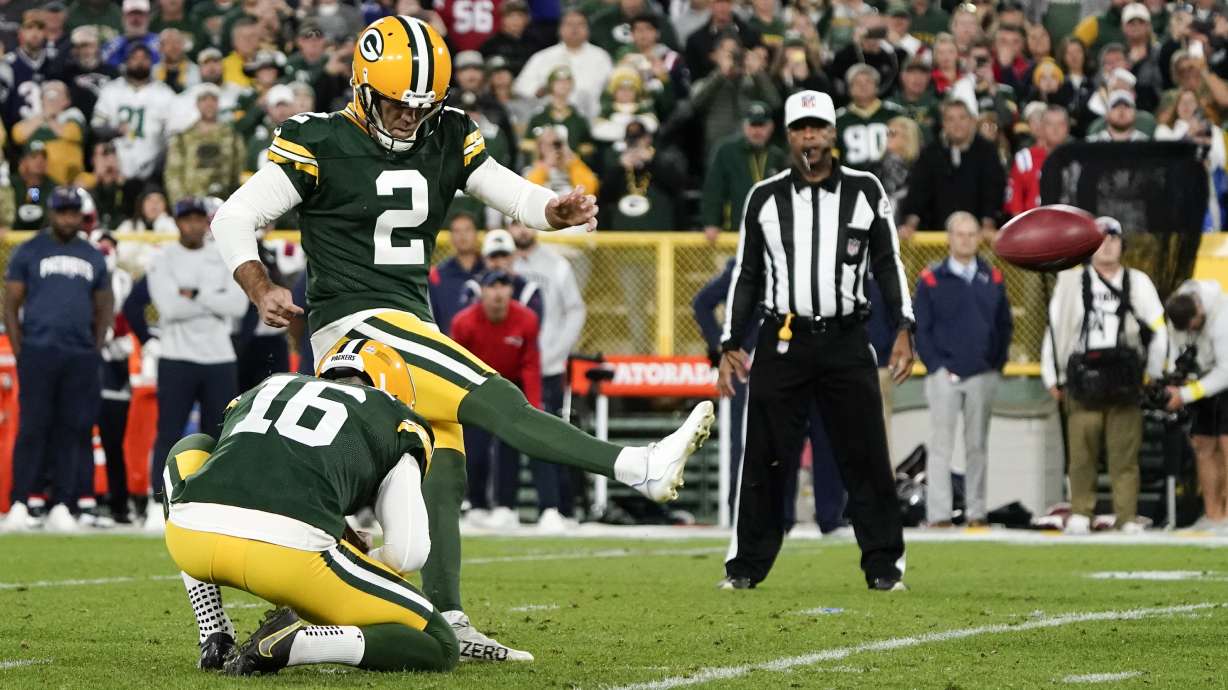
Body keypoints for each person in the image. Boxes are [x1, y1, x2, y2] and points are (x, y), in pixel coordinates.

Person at [209, 15, 715, 662]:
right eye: (396, 103)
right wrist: (259, 287)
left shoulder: (447, 130)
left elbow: (506, 191)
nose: (409, 117)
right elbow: (235, 216)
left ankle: (447, 616)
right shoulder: (319, 139)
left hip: (409, 322)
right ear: (362, 87)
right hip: (356, 329)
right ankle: (638, 467)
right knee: (496, 399)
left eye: (422, 104)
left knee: (445, 465)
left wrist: (551, 209)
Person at [717, 90, 914, 591]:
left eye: (818, 127)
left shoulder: (865, 190)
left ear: (832, 132)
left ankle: (884, 566)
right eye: (801, 128)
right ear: (789, 136)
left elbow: (888, 262)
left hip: (847, 337)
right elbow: (747, 273)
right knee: (764, 455)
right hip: (783, 338)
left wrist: (904, 326)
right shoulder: (764, 196)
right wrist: (730, 340)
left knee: (866, 453)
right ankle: (745, 567)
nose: (810, 137)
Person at [164, 343, 458, 675]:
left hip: (192, 540)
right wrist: (356, 556)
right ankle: (298, 643)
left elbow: (259, 472)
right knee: (441, 643)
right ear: (395, 390)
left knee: (193, 446)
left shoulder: (272, 386)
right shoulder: (392, 417)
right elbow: (408, 555)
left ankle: (213, 631)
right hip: (292, 561)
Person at [1042, 218, 1165, 534]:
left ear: (1123, 244)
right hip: (1082, 377)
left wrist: (1153, 372)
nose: (1107, 245)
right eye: (1100, 239)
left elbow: (1158, 330)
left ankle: (1126, 516)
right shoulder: (1071, 281)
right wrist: (1052, 375)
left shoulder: (1138, 282)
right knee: (1081, 453)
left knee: (1125, 455)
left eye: (1113, 239)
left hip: (1124, 378)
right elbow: (1054, 328)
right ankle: (1081, 512)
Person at [1, 187, 112, 533]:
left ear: (80, 215)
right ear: (51, 213)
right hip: (37, 352)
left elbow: (104, 304)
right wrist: (20, 351)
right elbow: (11, 304)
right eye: (62, 211)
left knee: (71, 430)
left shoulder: (92, 254)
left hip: (79, 355)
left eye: (73, 212)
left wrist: (94, 349)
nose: (68, 218)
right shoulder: (29, 250)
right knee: (32, 428)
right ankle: (20, 502)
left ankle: (63, 504)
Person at [145, 197, 249, 531]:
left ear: (206, 222)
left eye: (197, 219)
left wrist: (194, 294)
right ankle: (156, 501)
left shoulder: (221, 256)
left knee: (218, 435)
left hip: (219, 358)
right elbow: (169, 307)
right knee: (169, 431)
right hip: (176, 357)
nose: (192, 225)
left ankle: (211, 502)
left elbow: (238, 306)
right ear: (177, 222)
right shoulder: (163, 258)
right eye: (186, 219)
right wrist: (213, 300)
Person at [913, 212, 1012, 528]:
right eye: (960, 234)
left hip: (982, 373)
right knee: (940, 447)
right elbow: (921, 327)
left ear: (979, 238)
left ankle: (976, 512)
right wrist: (935, 366)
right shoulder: (931, 279)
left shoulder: (993, 277)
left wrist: (995, 365)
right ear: (949, 238)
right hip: (944, 375)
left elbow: (1004, 325)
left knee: (977, 445)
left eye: (972, 234)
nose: (966, 240)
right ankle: (939, 515)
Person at [451, 271, 543, 531]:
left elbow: (530, 365)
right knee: (474, 448)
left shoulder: (527, 319)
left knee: (509, 446)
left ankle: (506, 506)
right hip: (476, 387)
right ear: (482, 290)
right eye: (492, 286)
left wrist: (533, 407)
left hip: (512, 387)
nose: (498, 292)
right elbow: (457, 364)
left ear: (511, 291)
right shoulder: (463, 322)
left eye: (504, 286)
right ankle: (477, 504)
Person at [510, 218, 586, 530]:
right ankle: (504, 507)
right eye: (515, 224)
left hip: (547, 368)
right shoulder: (503, 265)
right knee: (506, 440)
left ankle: (558, 509)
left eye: (525, 224)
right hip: (510, 366)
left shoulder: (557, 265)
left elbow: (575, 310)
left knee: (549, 438)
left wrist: (555, 353)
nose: (522, 230)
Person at [1163, 280, 1228, 528]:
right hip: (1201, 381)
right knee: (1204, 446)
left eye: (1193, 324)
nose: (1190, 329)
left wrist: (1186, 395)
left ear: (1200, 310)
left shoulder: (1222, 314)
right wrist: (1174, 380)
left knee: (1226, 445)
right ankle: (1213, 516)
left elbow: (1225, 371)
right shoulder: (1176, 315)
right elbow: (1174, 352)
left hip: (1223, 377)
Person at [900, 97, 1006, 236]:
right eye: (951, 119)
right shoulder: (930, 154)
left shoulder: (987, 152)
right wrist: (910, 225)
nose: (957, 124)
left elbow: (992, 191)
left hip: (976, 236)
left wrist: (988, 224)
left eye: (962, 118)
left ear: (972, 121)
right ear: (943, 124)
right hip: (937, 236)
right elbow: (918, 192)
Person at [91, 43, 176, 196]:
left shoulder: (164, 93)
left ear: (152, 62)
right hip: (115, 167)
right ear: (126, 61)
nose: (140, 62)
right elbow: (97, 126)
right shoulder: (111, 89)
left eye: (144, 58)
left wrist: (159, 165)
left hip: (152, 168)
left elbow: (172, 135)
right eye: (134, 58)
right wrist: (114, 131)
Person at [701, 100, 787, 241]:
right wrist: (711, 222)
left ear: (771, 127)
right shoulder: (727, 152)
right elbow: (713, 189)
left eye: (761, 125)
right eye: (753, 125)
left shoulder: (777, 156)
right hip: (733, 232)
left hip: (770, 234)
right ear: (744, 126)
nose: (757, 131)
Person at [513, 10, 614, 119]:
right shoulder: (543, 57)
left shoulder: (601, 57)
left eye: (580, 24)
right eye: (569, 24)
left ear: (588, 29)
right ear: (560, 29)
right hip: (549, 119)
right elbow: (520, 86)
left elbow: (613, 87)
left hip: (590, 118)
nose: (574, 29)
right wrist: (537, 91)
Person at [164, 84, 246, 204]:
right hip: (192, 204)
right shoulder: (182, 138)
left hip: (225, 202)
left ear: (219, 104)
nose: (209, 104)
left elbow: (239, 170)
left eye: (213, 100)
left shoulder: (232, 136)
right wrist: (180, 203)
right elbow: (173, 173)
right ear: (197, 104)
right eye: (204, 100)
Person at [835, 63, 905, 172]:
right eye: (858, 83)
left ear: (877, 86)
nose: (863, 86)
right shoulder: (838, 119)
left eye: (868, 81)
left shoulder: (895, 114)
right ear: (849, 88)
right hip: (851, 178)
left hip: (891, 175)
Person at [1005, 104, 1069, 217]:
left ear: (1067, 128)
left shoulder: (1077, 159)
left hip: (1070, 223)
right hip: (1034, 224)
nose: (1055, 129)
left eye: (1061, 124)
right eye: (1050, 124)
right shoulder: (1025, 159)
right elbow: (1015, 206)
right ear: (1042, 127)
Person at [430, 213, 485, 335]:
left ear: (476, 234)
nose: (462, 235)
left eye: (467, 229)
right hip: (451, 342)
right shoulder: (438, 276)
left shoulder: (489, 271)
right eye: (457, 231)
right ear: (451, 237)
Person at [1086, 89, 1152, 141]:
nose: (1121, 110)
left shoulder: (1147, 143)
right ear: (1107, 114)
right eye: (1115, 106)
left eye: (1127, 106)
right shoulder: (1091, 143)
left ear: (1135, 113)